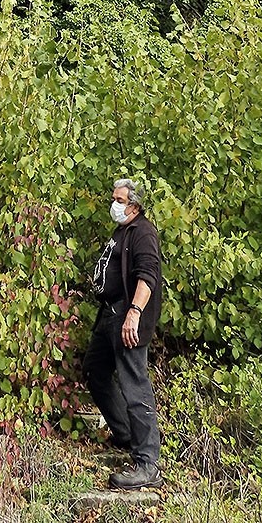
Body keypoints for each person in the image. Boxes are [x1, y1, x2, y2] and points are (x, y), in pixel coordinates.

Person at [83, 178, 163, 491]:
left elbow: (148, 276)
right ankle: (126, 435)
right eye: (114, 198)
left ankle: (147, 463)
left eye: (119, 199)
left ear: (134, 205)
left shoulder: (144, 232)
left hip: (128, 318)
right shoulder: (123, 230)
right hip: (110, 315)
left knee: (134, 384)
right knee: (95, 370)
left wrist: (134, 313)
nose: (113, 204)